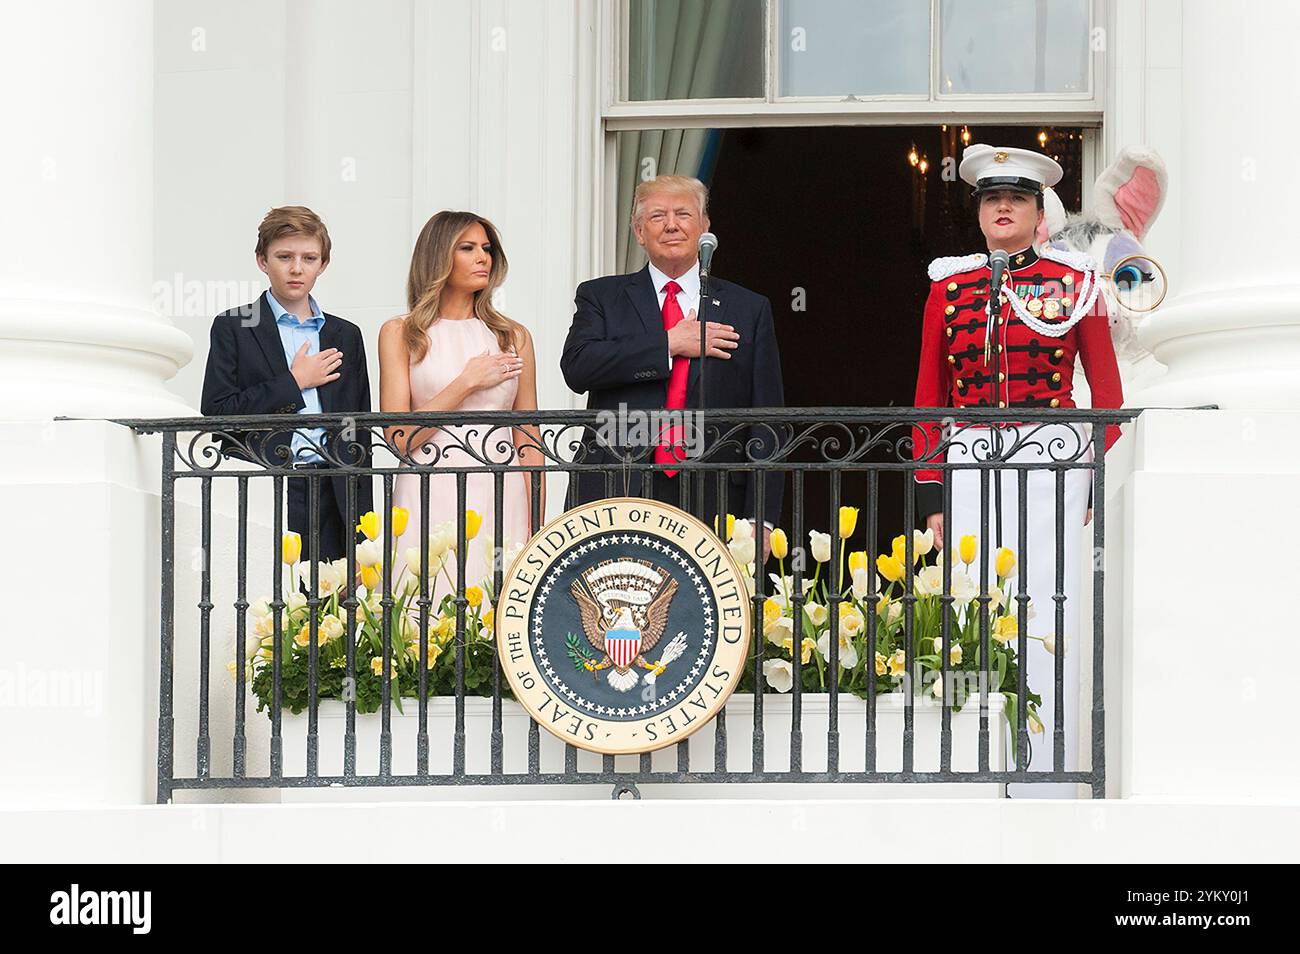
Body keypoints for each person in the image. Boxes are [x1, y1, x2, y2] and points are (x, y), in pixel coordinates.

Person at [912, 145, 1124, 797]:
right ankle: (973, 771)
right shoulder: (948, 288)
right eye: (991, 198)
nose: (1003, 207)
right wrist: (933, 497)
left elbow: (1109, 399)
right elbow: (929, 396)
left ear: (1039, 214)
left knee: (1047, 609)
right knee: (970, 602)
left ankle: (1046, 776)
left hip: (1051, 462)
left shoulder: (1076, 281)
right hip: (972, 458)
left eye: (1018, 199)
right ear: (979, 212)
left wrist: (1090, 481)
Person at [560, 174, 784, 553]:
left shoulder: (748, 308)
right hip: (620, 482)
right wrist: (669, 343)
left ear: (704, 228)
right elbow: (578, 368)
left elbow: (768, 416)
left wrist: (759, 516)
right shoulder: (602, 296)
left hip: (716, 492)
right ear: (638, 231)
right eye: (657, 216)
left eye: (683, 214)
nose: (672, 224)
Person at [379, 211, 541, 603]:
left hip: (502, 487)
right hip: (429, 485)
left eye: (486, 248)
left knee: (499, 605)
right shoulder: (401, 333)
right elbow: (398, 437)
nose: (482, 257)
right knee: (426, 604)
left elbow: (529, 434)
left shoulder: (513, 335)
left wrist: (538, 521)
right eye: (467, 249)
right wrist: (466, 382)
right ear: (438, 257)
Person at [200, 205, 373, 563]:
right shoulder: (234, 326)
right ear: (262, 261)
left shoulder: (346, 335)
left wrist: (364, 533)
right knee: (268, 603)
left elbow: (360, 433)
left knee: (330, 609)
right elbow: (217, 411)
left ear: (323, 264)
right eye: (284, 256)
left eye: (309, 258)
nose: (297, 268)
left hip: (333, 490)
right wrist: (294, 382)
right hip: (265, 484)